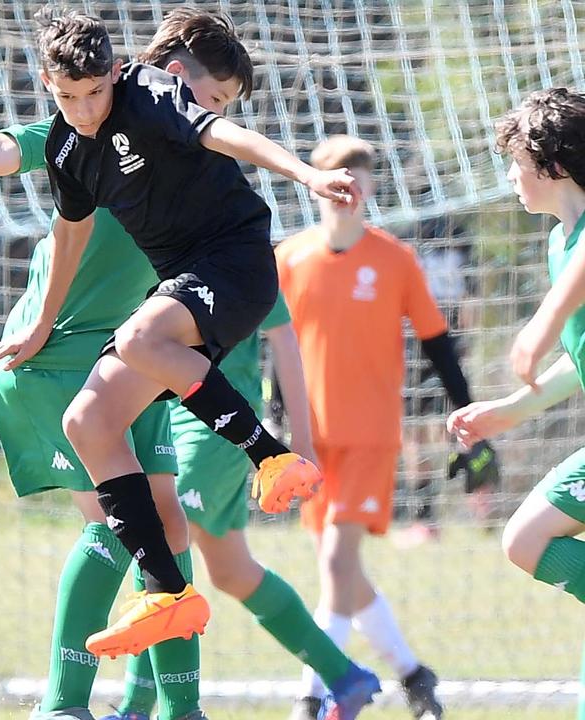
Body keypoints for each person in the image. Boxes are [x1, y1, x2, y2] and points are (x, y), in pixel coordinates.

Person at [0, 9, 378, 719]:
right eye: (216, 99)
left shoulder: (183, 159)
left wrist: (299, 176)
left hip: (129, 365)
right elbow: (3, 150)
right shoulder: (89, 132)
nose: (214, 117)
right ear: (176, 81)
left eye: (226, 111)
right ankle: (64, 705)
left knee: (168, 534)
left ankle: (176, 710)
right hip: (58, 359)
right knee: (121, 530)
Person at [33, 6, 356, 659]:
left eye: (97, 92)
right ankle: (168, 591)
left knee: (137, 340)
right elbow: (69, 234)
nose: (87, 109)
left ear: (117, 72)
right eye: (69, 96)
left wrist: (310, 175)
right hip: (184, 283)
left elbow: (227, 136)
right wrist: (44, 321)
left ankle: (269, 454)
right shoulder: (64, 147)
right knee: (87, 422)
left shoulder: (148, 95)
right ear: (47, 83)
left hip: (235, 263)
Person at [275, 136, 478, 720]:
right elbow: (274, 345)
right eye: (339, 180)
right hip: (310, 442)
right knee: (343, 575)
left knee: (337, 566)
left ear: (371, 191)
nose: (349, 192)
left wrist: (469, 422)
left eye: (359, 183)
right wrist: (271, 415)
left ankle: (314, 697)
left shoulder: (395, 259)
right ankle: (415, 676)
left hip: (370, 435)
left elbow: (440, 345)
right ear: (315, 185)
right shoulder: (289, 258)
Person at [447, 87, 585, 720]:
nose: (508, 175)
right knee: (525, 538)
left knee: (528, 536)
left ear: (553, 165)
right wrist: (508, 409)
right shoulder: (562, 242)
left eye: (517, 160)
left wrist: (540, 324)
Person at [398, 215, 498, 547]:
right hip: (436, 343)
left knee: (423, 433)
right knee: (445, 428)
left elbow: (470, 292)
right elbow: (472, 294)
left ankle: (433, 518)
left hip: (425, 343)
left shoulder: (409, 233)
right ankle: (475, 504)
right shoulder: (451, 232)